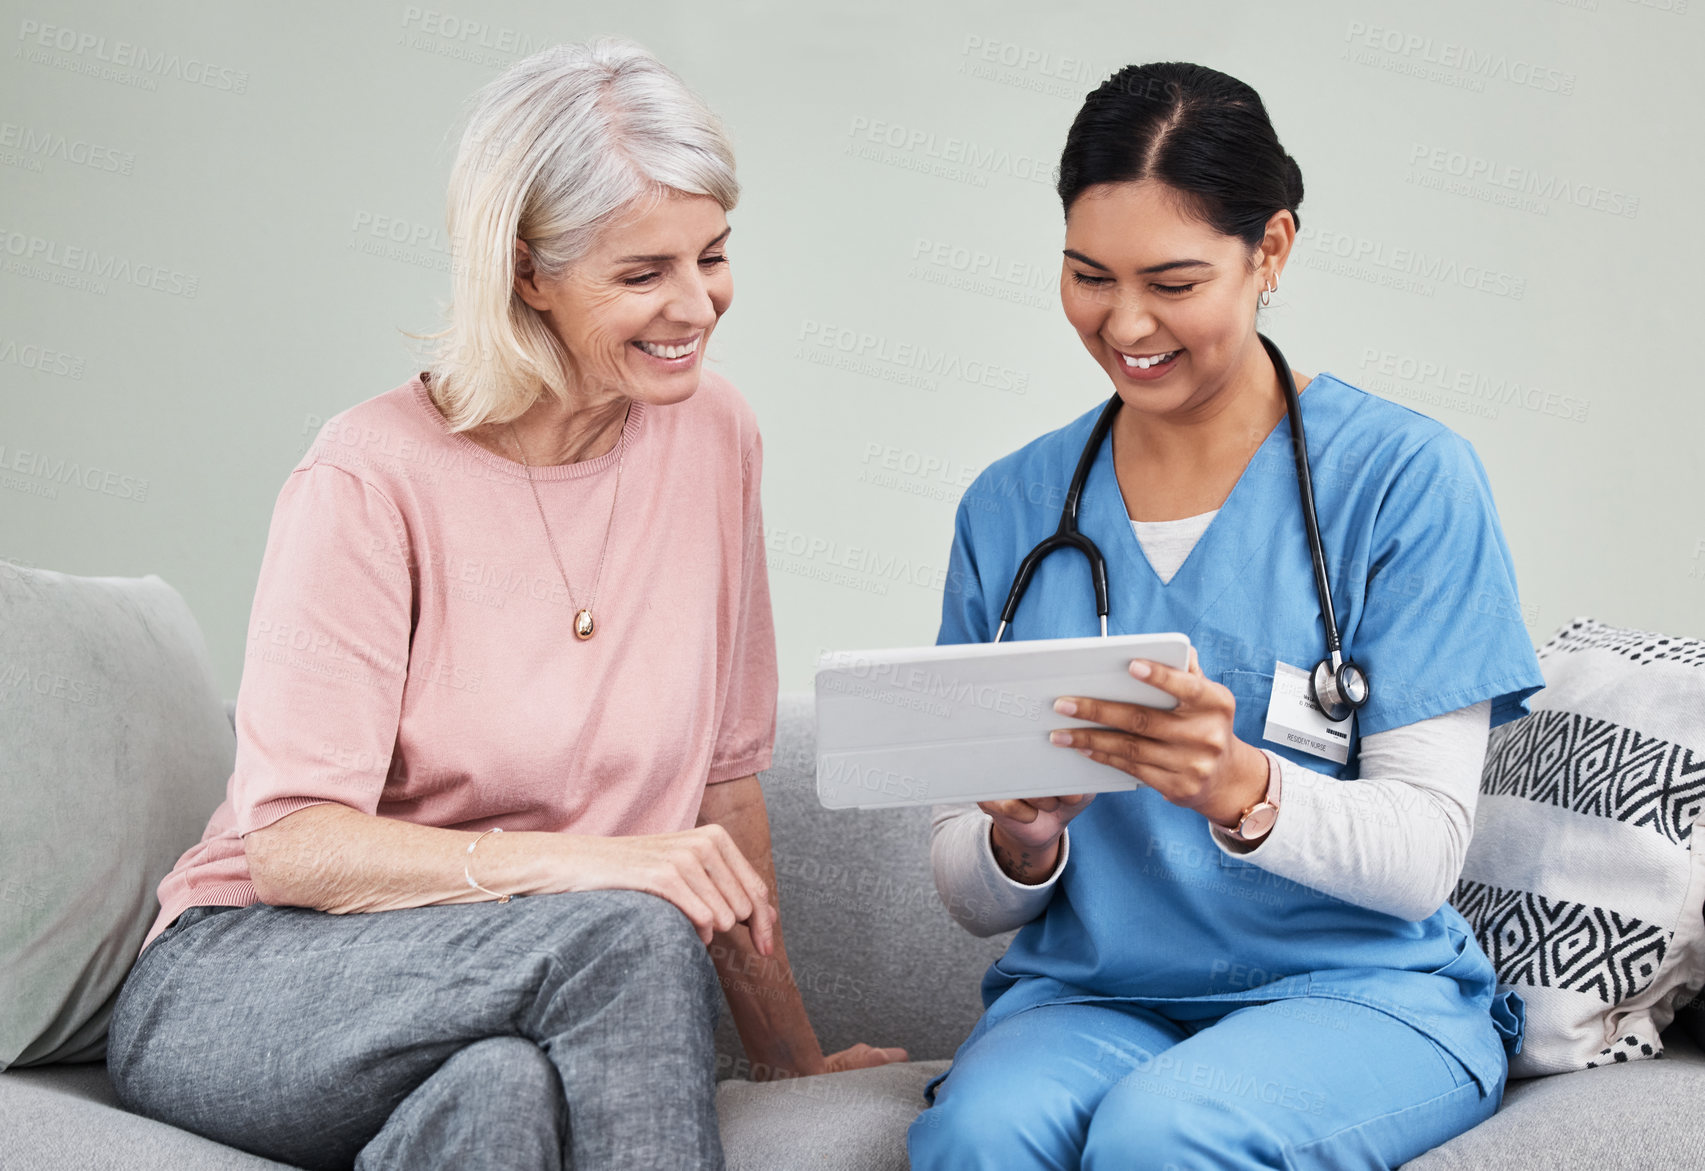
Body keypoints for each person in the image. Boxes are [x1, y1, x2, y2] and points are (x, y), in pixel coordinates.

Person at [106, 39, 902, 1171]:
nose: (695, 305)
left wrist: (790, 1061)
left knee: (500, 1099)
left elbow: (723, 792)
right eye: (640, 274)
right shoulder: (368, 475)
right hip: (252, 982)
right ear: (526, 271)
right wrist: (595, 862)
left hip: (491, 1009)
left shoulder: (714, 435)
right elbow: (289, 849)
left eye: (712, 255)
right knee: (629, 934)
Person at [908, 61, 1544, 1170]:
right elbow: (967, 890)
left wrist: (1240, 787)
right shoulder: (1010, 509)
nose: (1126, 322)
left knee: (1168, 1131)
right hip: (1094, 996)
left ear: (1273, 252)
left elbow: (1421, 858)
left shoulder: (1402, 482)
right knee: (976, 1130)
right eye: (1088, 275)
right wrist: (1020, 836)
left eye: (1173, 280)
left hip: (1355, 994)